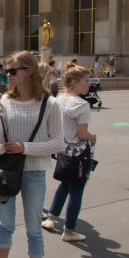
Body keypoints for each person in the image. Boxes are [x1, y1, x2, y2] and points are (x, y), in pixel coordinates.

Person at [0, 50, 64, 258]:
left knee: (33, 229)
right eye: (7, 71)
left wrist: (25, 148)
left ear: (29, 71)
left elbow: (58, 143)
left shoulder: (49, 103)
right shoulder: (5, 101)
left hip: (34, 172)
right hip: (6, 170)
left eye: (13, 71)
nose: (8, 75)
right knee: (4, 225)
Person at [41, 64, 96, 241]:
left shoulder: (58, 99)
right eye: (86, 81)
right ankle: (69, 230)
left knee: (64, 184)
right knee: (77, 190)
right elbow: (82, 134)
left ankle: (51, 218)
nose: (89, 84)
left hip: (62, 149)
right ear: (74, 83)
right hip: (78, 153)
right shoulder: (81, 104)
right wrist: (93, 136)